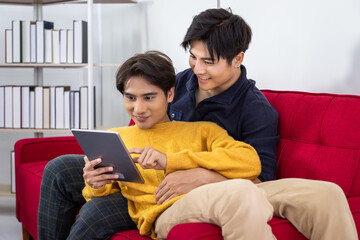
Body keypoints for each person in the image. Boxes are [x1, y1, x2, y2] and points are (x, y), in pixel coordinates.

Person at [37, 7, 358, 240]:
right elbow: (146, 127)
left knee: (328, 193)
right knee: (58, 170)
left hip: (221, 183)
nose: (198, 68)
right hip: (157, 184)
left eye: (209, 61)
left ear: (237, 58)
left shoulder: (255, 109)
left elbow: (258, 177)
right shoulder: (181, 82)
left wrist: (201, 175)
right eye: (193, 56)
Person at [81, 50, 274, 239]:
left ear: (170, 94)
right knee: (243, 192)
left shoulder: (204, 130)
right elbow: (104, 197)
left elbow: (250, 162)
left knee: (302, 193)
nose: (138, 109)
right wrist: (94, 184)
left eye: (149, 97)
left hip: (209, 194)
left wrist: (172, 160)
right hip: (167, 210)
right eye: (130, 97)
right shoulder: (116, 138)